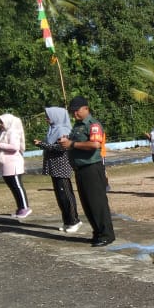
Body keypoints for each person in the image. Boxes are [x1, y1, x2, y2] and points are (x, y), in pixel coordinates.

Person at [60, 96, 116, 246]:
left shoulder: (93, 125)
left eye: (77, 111)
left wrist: (72, 144)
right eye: (72, 111)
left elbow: (95, 144)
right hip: (80, 168)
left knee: (97, 203)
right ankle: (97, 232)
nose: (74, 114)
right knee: (87, 203)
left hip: (91, 167)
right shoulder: (77, 126)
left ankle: (106, 234)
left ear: (86, 108)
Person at [34, 106, 81, 232]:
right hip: (55, 168)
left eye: (48, 116)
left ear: (56, 117)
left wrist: (41, 144)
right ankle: (67, 221)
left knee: (66, 195)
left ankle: (74, 220)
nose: (46, 119)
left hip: (61, 167)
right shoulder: (53, 130)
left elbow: (61, 147)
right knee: (60, 196)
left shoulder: (62, 130)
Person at [0, 113, 31, 218]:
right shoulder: (2, 133)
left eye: (1, 122)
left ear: (8, 122)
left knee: (17, 186)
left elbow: (14, 147)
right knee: (13, 187)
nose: (0, 124)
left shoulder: (13, 132)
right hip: (5, 163)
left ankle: (25, 207)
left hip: (13, 163)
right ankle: (20, 208)